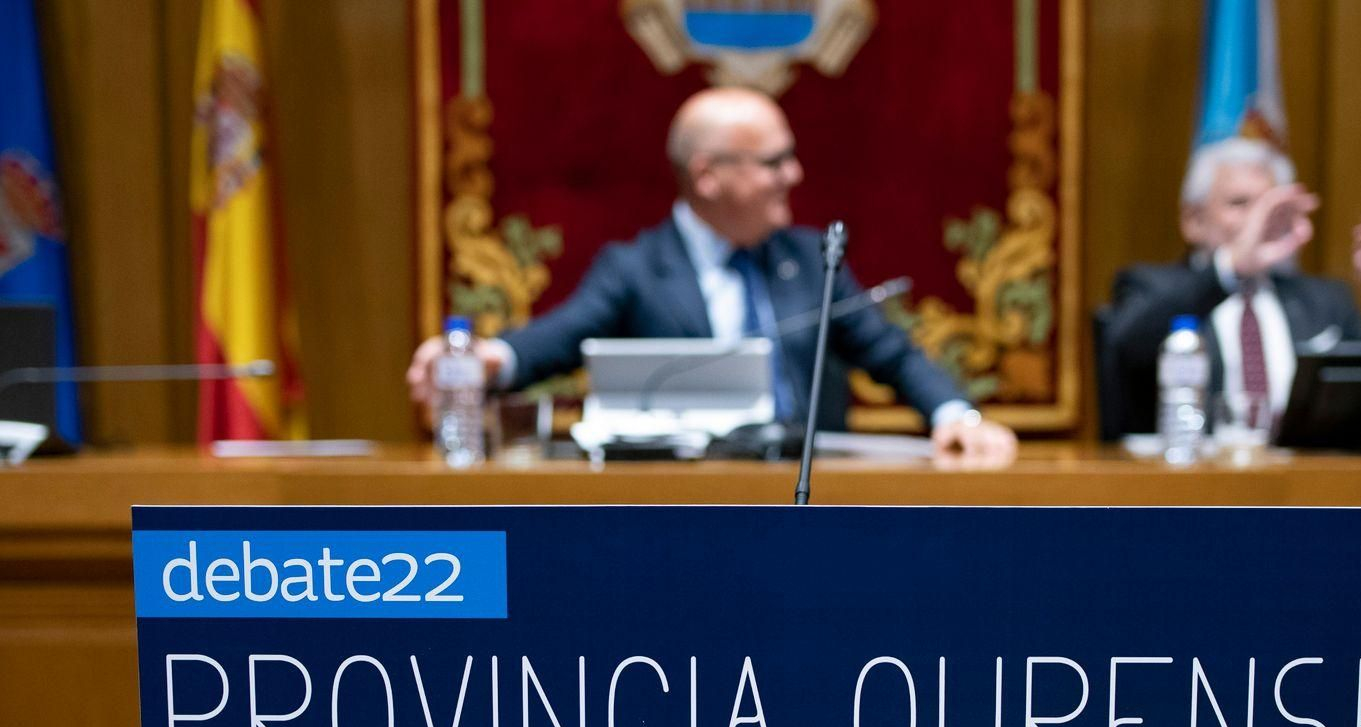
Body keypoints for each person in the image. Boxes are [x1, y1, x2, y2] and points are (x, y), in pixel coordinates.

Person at [408, 87, 1018, 463]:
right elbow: (559, 337)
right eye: (773, 161)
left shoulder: (812, 260)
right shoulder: (636, 268)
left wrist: (957, 419)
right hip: (686, 507)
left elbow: (894, 356)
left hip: (810, 505)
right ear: (708, 177)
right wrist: (484, 360)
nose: (794, 175)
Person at [1100, 137, 1361, 438]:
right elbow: (1124, 347)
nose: (1258, 220)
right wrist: (1231, 268)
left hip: (1304, 489)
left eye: (1270, 205)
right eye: (1240, 204)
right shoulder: (1151, 288)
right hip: (1192, 489)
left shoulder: (1325, 302)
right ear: (1194, 220)